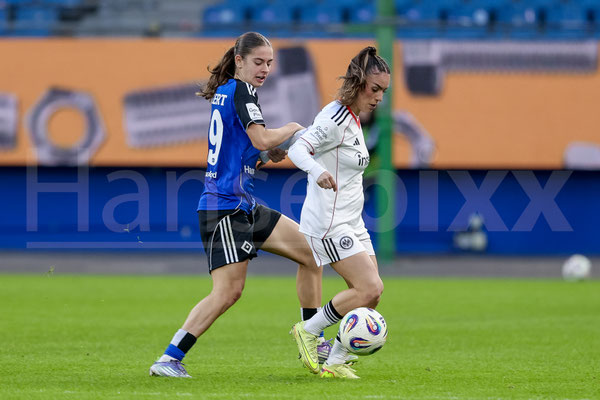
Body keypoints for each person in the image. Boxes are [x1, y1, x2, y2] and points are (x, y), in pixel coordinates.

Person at [149, 32, 325, 378]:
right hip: (225, 209)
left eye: (269, 63)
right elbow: (260, 136)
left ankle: (313, 337)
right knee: (228, 291)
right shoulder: (241, 90)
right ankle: (169, 358)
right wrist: (292, 128)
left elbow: (245, 149)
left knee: (311, 253)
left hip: (243, 204)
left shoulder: (231, 91)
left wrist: (266, 154)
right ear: (239, 60)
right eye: (258, 62)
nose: (265, 69)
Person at [287, 46, 391, 379]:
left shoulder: (355, 120)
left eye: (383, 91)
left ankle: (334, 362)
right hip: (330, 223)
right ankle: (308, 330)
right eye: (375, 89)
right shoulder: (335, 117)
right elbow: (298, 148)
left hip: (352, 221)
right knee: (368, 288)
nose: (379, 97)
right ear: (358, 84)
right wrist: (317, 171)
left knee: (371, 296)